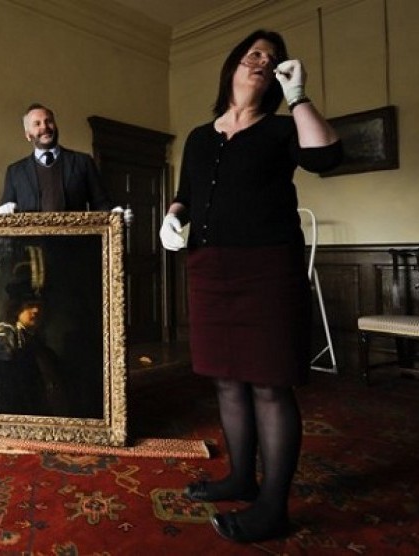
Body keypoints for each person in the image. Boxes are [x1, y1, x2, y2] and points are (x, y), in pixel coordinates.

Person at [159, 30, 342, 543]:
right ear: (235, 65)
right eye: (256, 53)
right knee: (225, 379)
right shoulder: (199, 136)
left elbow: (327, 158)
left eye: (275, 58)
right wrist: (172, 218)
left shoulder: (282, 129)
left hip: (267, 267)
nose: (265, 61)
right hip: (209, 267)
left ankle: (273, 508)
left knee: (268, 383)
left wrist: (298, 94)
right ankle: (241, 475)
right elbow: (186, 194)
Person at [0, 246, 66, 416]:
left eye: (39, 306)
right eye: (29, 305)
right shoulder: (4, 338)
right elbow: (2, 386)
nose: (36, 311)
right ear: (17, 308)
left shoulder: (39, 346)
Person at [0, 103, 113, 214]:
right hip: (32, 236)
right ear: (28, 135)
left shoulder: (83, 162)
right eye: (37, 124)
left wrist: (116, 218)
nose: (45, 127)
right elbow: (6, 213)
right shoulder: (15, 172)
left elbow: (102, 205)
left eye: (49, 121)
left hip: (76, 235)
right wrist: (2, 211)